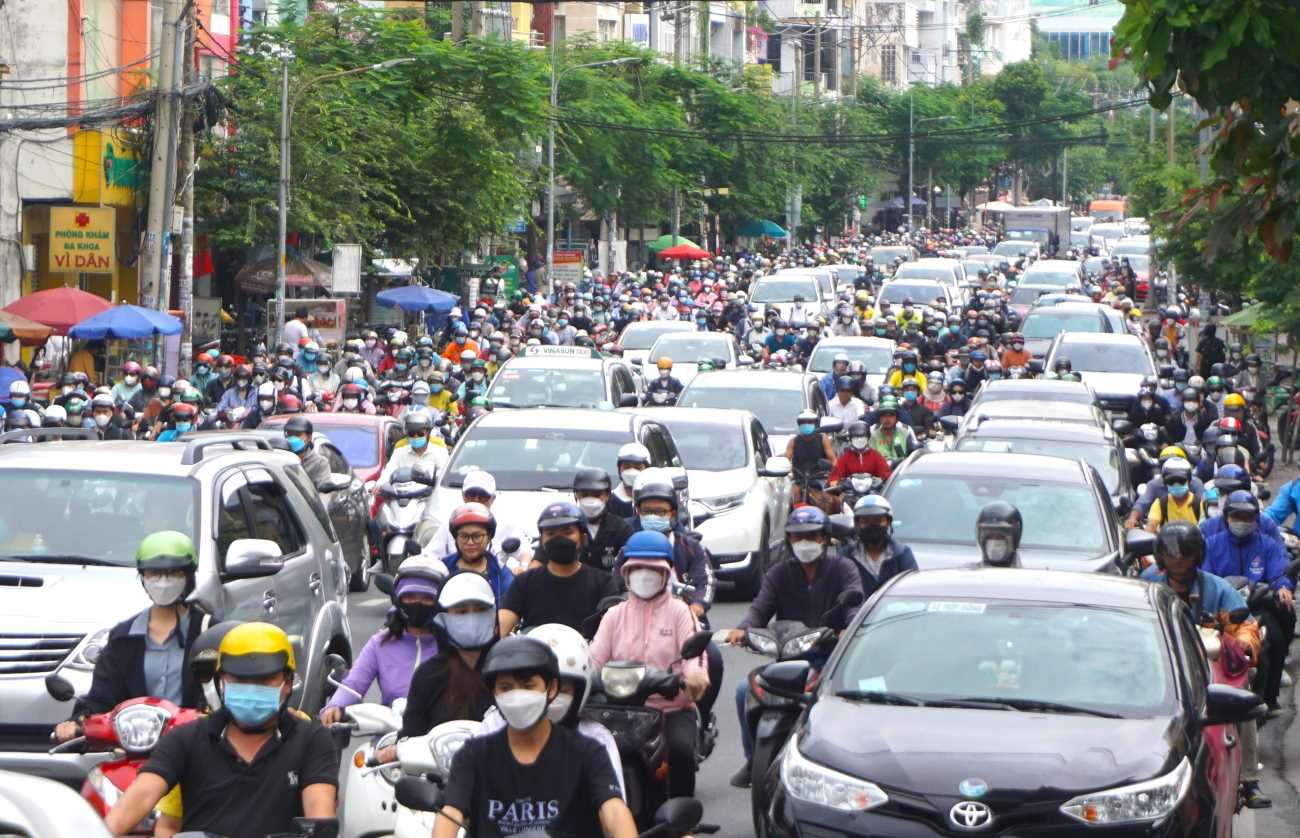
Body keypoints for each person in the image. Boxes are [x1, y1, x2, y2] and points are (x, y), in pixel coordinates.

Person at [103, 622, 338, 838]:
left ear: (287, 683)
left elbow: (319, 812)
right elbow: (141, 795)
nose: (250, 689)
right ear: (221, 683)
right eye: (239, 680)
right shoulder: (185, 738)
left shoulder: (311, 739)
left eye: (263, 681)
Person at [436, 635, 636, 838]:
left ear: (552, 689)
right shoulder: (472, 756)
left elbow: (614, 811)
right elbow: (451, 812)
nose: (517, 696)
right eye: (506, 688)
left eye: (528, 685)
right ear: (493, 693)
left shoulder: (588, 753)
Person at [724, 507, 863, 787]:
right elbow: (759, 609)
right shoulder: (778, 574)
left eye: (812, 536)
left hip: (828, 660)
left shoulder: (843, 569)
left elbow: (854, 606)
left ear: (825, 538)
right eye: (798, 537)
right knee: (744, 692)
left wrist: (847, 628)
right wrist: (743, 629)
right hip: (787, 660)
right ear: (789, 540)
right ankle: (754, 760)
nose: (805, 542)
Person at [1140, 521, 1270, 808]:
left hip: (1208, 666)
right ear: (1161, 555)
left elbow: (1246, 626)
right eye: (1171, 552)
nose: (1179, 559)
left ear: (1197, 554)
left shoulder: (1217, 588)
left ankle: (1249, 781)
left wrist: (1246, 643)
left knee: (1243, 695)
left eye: (1185, 552)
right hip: (1157, 668)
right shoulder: (1147, 584)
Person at [54, 531, 213, 742]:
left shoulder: (210, 632)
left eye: (173, 573)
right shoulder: (123, 638)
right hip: (136, 748)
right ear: (143, 577)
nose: (163, 582)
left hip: (195, 748)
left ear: (189, 576)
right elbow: (102, 698)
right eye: (154, 574)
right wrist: (77, 722)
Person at [591, 532, 709, 800]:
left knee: (680, 751)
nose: (645, 575)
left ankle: (682, 822)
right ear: (626, 573)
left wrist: (693, 677)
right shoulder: (614, 615)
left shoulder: (680, 611)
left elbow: (695, 655)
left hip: (672, 709)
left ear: (666, 574)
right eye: (638, 569)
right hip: (623, 711)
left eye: (653, 569)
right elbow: (594, 659)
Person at [475, 624, 625, 799]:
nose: (550, 698)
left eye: (562, 690)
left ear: (580, 692)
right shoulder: (492, 727)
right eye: (538, 688)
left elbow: (614, 811)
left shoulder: (596, 739)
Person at [1203, 491, 1296, 714]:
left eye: (1248, 517)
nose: (1242, 522)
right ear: (1227, 517)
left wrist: (1283, 587)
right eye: (1237, 516)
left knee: (1276, 640)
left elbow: (1278, 572)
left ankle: (1270, 699)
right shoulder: (1211, 544)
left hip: (1256, 607)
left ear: (1256, 519)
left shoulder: (1267, 545)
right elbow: (1203, 576)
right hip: (1220, 610)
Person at [319, 562, 444, 725]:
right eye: (410, 597)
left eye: (427, 598)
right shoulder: (379, 643)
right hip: (390, 735)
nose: (417, 603)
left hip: (441, 738)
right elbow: (354, 684)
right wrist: (335, 706)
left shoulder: (452, 643)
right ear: (398, 599)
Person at [400, 571, 498, 739]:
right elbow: (410, 736)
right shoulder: (428, 675)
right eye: (461, 612)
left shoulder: (508, 670)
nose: (472, 619)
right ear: (442, 619)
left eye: (481, 610)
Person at [500, 502, 620, 635]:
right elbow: (502, 627)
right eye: (551, 534)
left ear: (583, 538)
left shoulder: (603, 582)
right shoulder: (524, 582)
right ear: (542, 542)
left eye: (567, 533)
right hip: (534, 653)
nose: (559, 539)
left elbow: (615, 630)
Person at [423, 471, 532, 570]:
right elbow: (429, 556)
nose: (476, 500)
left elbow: (525, 552)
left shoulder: (506, 524)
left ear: (492, 499)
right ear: (463, 496)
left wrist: (523, 567)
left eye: (483, 496)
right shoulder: (449, 524)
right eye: (471, 495)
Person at [842, 495, 918, 597]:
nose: (872, 526)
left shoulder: (901, 554)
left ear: (888, 522)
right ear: (857, 524)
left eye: (878, 520)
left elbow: (913, 590)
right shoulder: (847, 555)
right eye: (865, 521)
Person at [438, 503, 514, 605]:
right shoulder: (442, 569)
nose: (470, 542)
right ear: (455, 537)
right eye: (464, 536)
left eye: (477, 536)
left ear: (489, 537)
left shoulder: (501, 574)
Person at [572, 467, 634, 570]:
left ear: (608, 495)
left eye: (596, 495)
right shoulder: (567, 528)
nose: (590, 500)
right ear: (576, 495)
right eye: (585, 495)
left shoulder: (621, 529)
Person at [378, 410, 449, 486]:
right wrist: (379, 485)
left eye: (420, 433)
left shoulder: (440, 452)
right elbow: (388, 472)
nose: (416, 437)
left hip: (430, 496)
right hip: (403, 495)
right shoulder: (399, 452)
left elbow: (445, 476)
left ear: (428, 433)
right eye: (412, 433)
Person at [1144, 457, 1200, 532]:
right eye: (1171, 481)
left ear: (1189, 481)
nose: (1176, 484)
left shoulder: (1199, 504)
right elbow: (1150, 527)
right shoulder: (1160, 504)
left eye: (1181, 481)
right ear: (1165, 483)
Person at [828, 420, 891, 485]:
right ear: (850, 439)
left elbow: (885, 473)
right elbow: (836, 473)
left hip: (873, 491)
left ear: (868, 438)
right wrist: (834, 481)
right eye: (856, 438)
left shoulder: (875, 455)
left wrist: (889, 479)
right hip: (850, 492)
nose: (859, 440)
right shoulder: (846, 457)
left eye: (862, 437)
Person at [282, 415, 331, 488]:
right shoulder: (280, 459)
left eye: (297, 434)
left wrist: (325, 486)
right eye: (290, 434)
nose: (293, 438)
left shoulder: (320, 463)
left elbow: (323, 484)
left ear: (309, 437)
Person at [609, 442, 650, 520]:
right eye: (627, 467)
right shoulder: (609, 502)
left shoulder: (656, 500)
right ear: (619, 469)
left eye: (638, 467)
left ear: (647, 469)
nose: (631, 471)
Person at [867, 397, 916, 462]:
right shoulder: (873, 436)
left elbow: (913, 456)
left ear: (897, 418)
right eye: (884, 416)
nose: (887, 419)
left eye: (891, 415)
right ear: (879, 418)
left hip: (901, 469)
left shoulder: (905, 433)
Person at [976, 500, 1023, 567]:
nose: (993, 544)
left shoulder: (1030, 575)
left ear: (1015, 539)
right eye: (989, 537)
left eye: (1000, 537)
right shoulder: (966, 574)